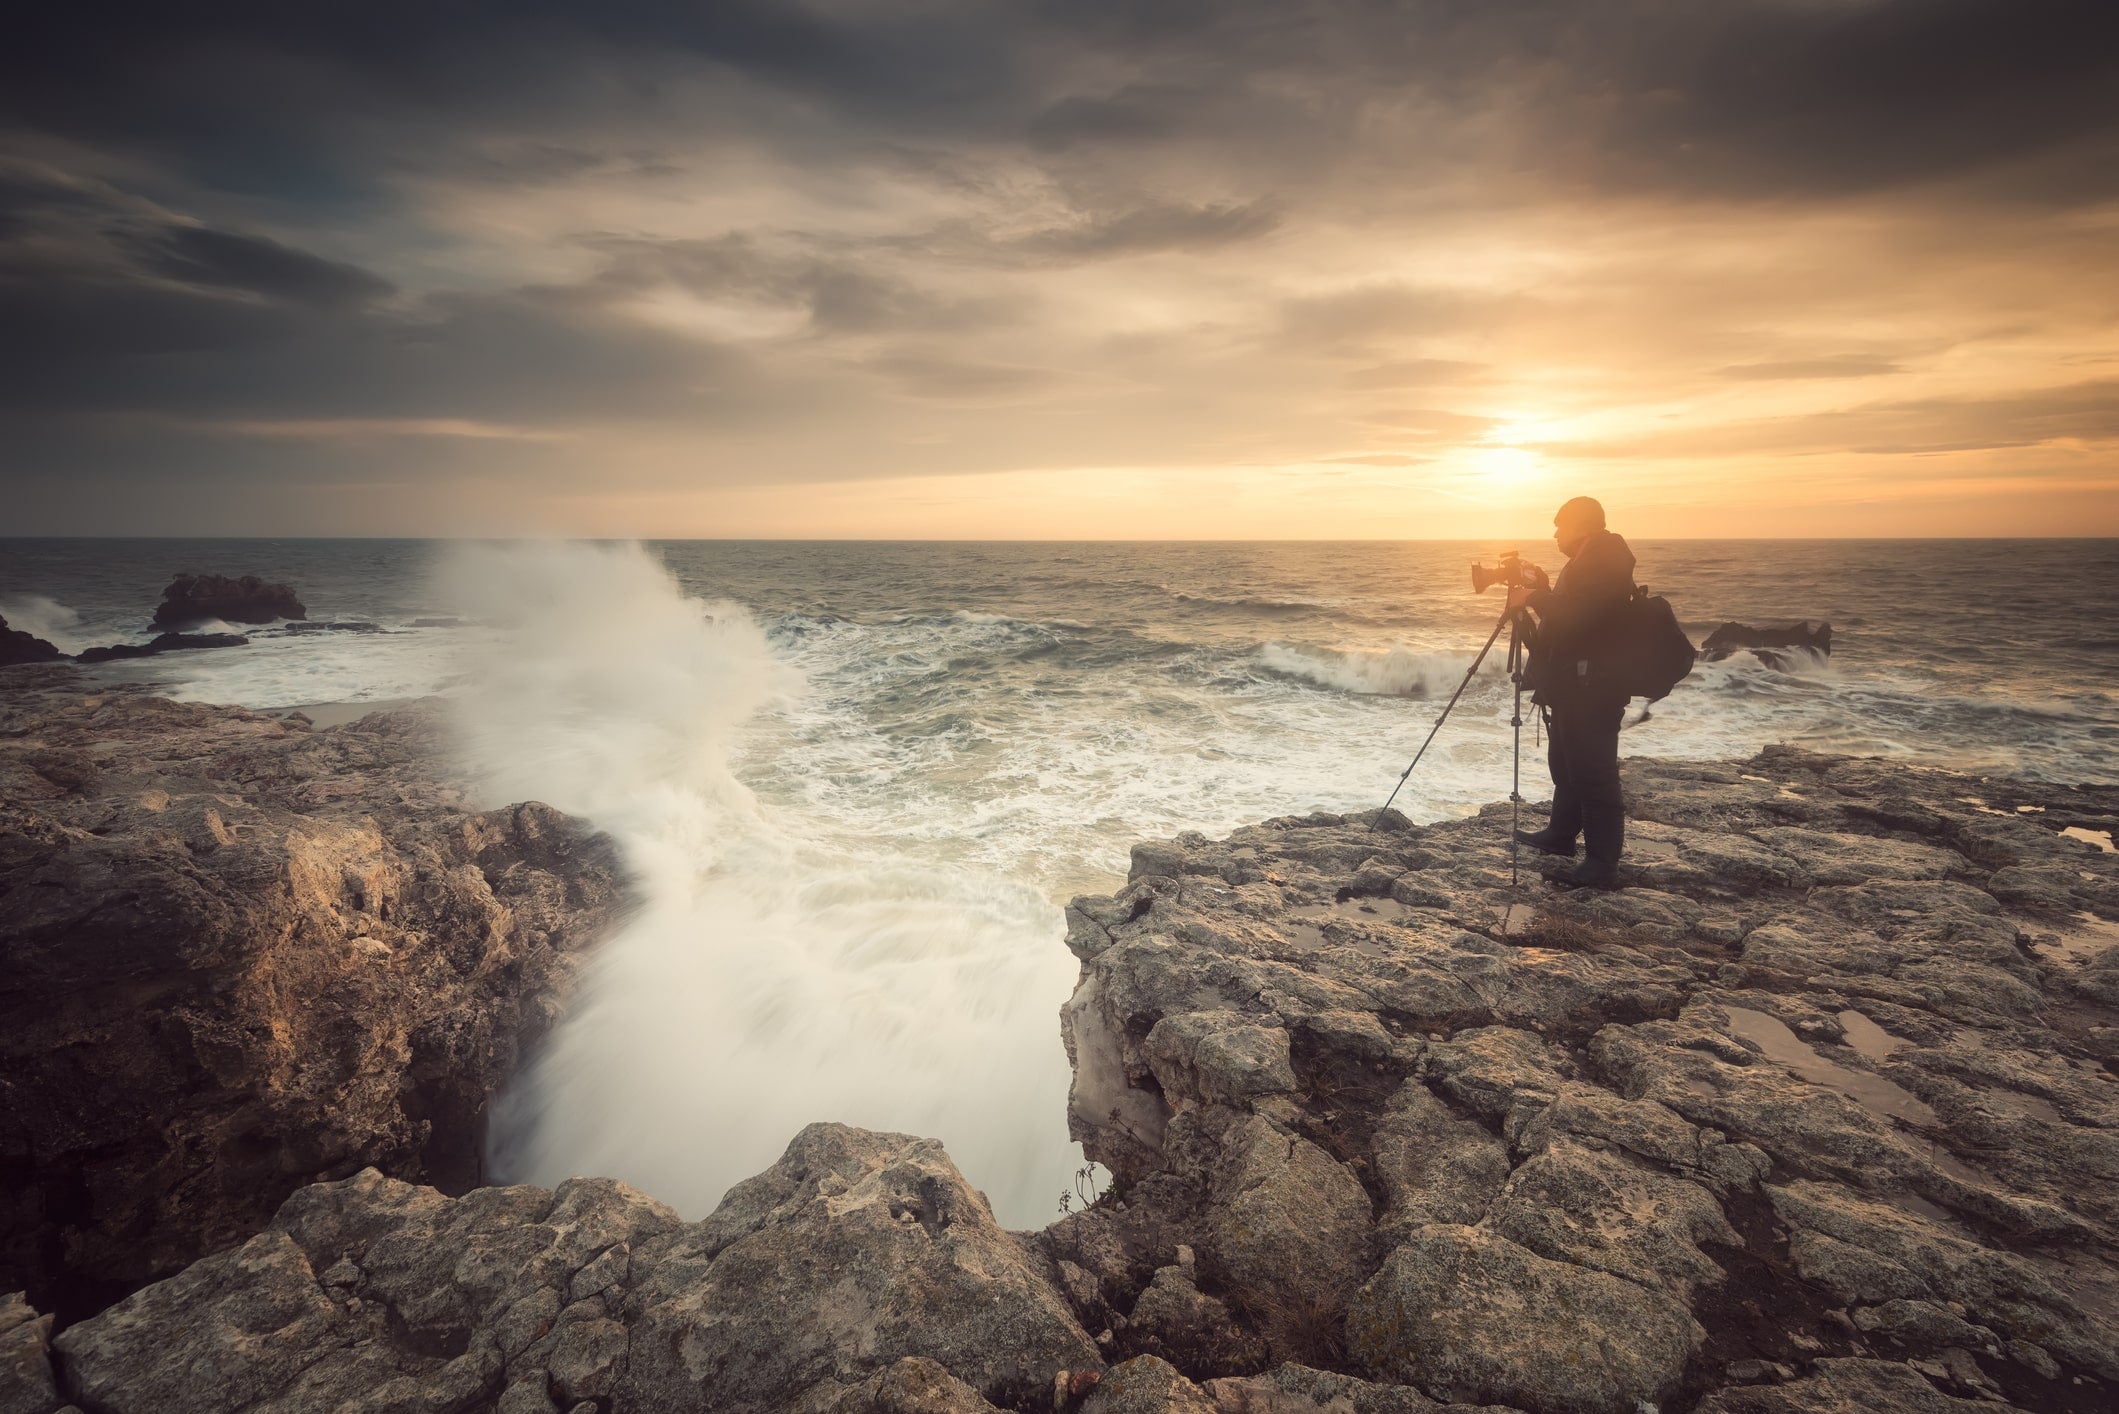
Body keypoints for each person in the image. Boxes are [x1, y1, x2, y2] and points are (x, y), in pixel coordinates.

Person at [1505, 496, 1636, 888]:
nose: (1556, 534)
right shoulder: (1588, 558)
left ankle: (1603, 863)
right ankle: (1560, 836)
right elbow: (1572, 609)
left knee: (1593, 772)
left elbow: (1580, 615)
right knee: (1564, 764)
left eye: (1562, 526)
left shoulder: (1605, 557)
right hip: (1571, 683)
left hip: (1593, 686)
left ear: (1583, 526)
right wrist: (1543, 587)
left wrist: (1532, 597)